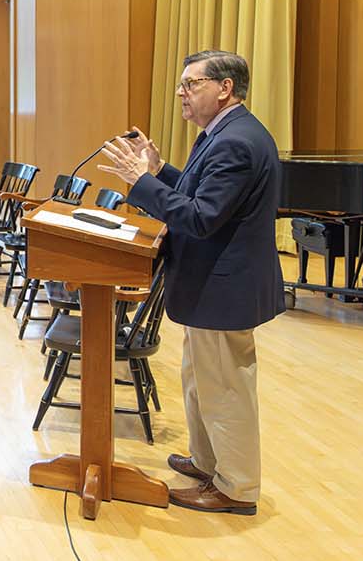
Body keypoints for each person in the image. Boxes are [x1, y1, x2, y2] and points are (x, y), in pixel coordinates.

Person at [97, 50, 283, 516]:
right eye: (180, 84)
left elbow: (200, 218)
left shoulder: (236, 142)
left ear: (224, 88)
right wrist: (160, 173)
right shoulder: (222, 134)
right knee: (202, 380)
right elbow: (201, 196)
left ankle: (236, 488)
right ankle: (208, 462)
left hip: (225, 286)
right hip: (211, 285)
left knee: (225, 387)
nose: (181, 93)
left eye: (190, 84)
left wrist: (141, 183)